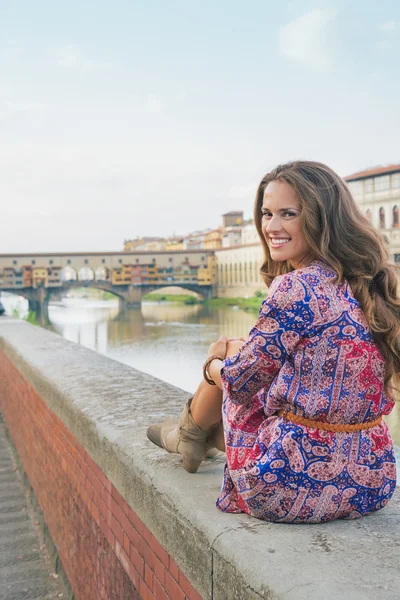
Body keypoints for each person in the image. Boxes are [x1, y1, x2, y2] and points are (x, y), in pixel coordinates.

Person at [147, 160, 398, 523]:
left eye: (288, 214)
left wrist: (211, 363)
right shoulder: (369, 284)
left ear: (320, 218)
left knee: (231, 353)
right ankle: (191, 436)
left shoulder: (296, 287)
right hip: (372, 480)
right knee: (246, 356)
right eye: (266, 214)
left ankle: (188, 435)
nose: (271, 227)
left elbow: (239, 381)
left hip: (289, 485)